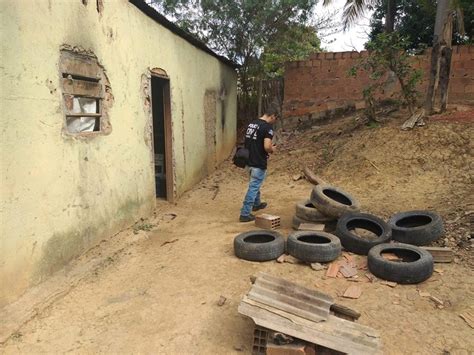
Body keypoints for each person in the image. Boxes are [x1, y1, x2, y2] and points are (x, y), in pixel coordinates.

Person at [239, 106, 278, 222]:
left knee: (255, 183)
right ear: (272, 116)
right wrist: (272, 149)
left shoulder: (252, 124)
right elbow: (267, 146)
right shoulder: (267, 128)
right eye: (275, 119)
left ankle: (256, 204)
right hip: (258, 161)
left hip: (248, 160)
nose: (274, 121)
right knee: (254, 186)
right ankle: (245, 213)